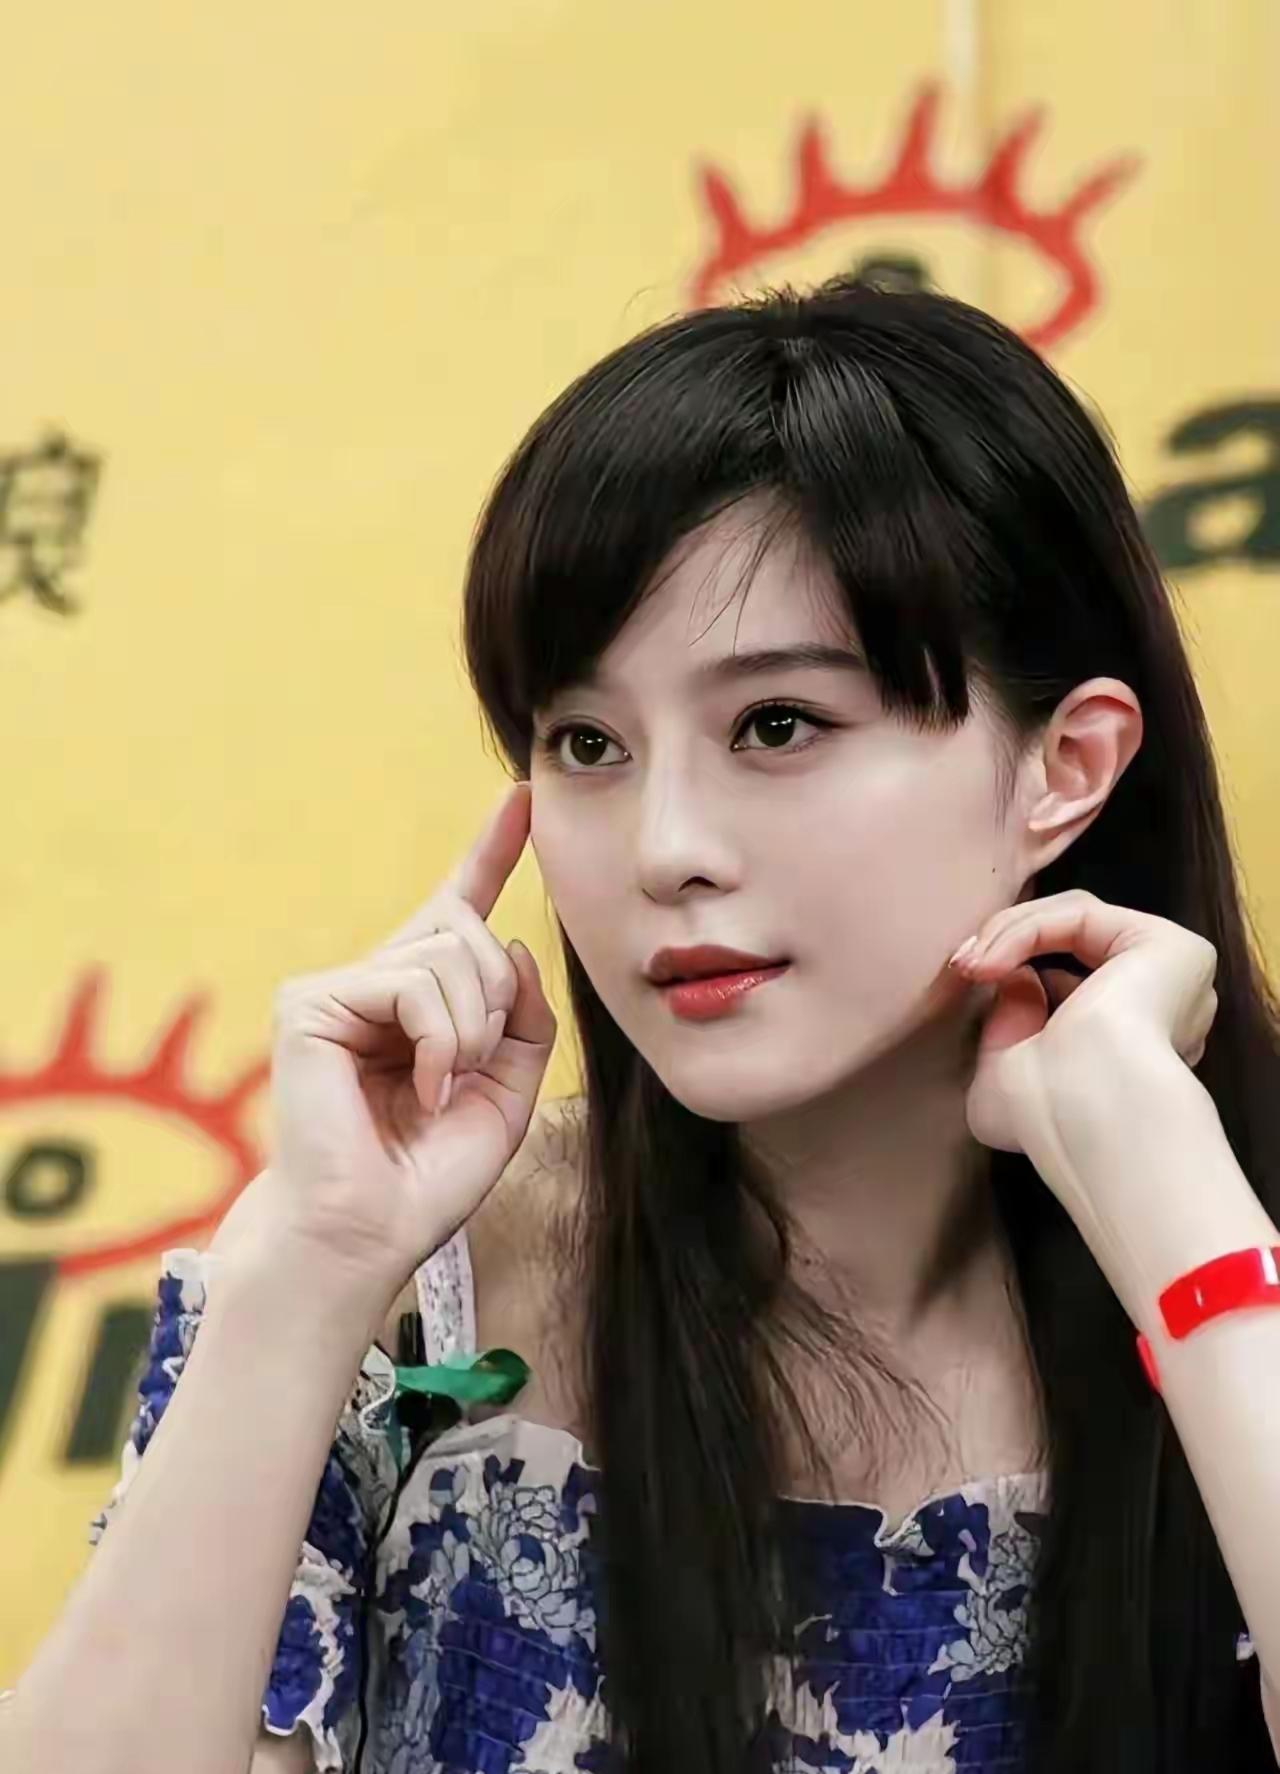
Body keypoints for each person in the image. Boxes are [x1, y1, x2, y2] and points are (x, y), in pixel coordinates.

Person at [3, 277, 1280, 1774]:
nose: (665, 847)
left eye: (778, 725)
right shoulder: (416, 1291)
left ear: (1066, 766)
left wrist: (1170, 1198)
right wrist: (313, 1270)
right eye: (588, 743)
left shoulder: (1220, 1234)